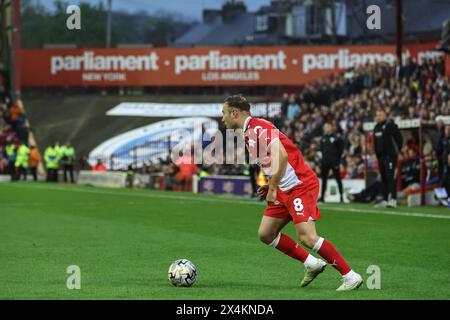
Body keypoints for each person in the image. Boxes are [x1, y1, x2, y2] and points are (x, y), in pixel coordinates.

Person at [221, 94, 363, 291]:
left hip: (299, 185)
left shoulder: (258, 128)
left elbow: (282, 155)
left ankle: (350, 276)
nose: (222, 118)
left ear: (234, 113)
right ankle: (311, 264)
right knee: (266, 233)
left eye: (224, 113)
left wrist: (272, 188)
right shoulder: (249, 132)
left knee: (307, 237)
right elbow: (272, 161)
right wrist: (272, 183)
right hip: (283, 188)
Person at [373, 109, 403, 208]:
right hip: (381, 157)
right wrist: (376, 155)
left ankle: (393, 199)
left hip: (390, 156)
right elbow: (376, 143)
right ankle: (385, 200)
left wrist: (396, 152)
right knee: (384, 178)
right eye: (377, 115)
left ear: (385, 115)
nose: (379, 116)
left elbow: (399, 139)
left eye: (380, 114)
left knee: (390, 176)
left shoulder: (390, 125)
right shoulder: (376, 127)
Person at [319, 123, 344, 203]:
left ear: (331, 128)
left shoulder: (336, 138)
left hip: (334, 162)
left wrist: (338, 161)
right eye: (324, 127)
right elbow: (322, 150)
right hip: (325, 161)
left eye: (327, 127)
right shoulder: (322, 138)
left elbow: (340, 150)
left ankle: (341, 197)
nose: (325, 129)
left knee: (338, 179)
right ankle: (322, 197)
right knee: (324, 179)